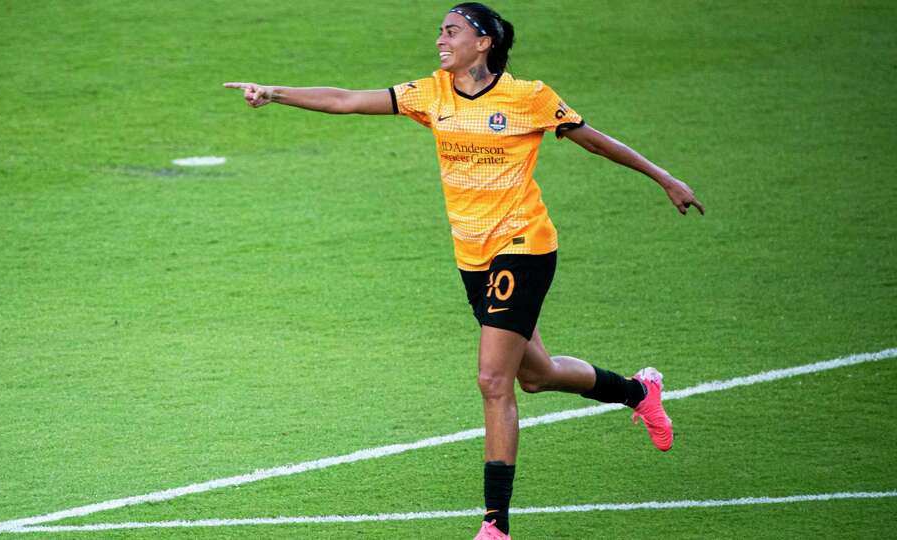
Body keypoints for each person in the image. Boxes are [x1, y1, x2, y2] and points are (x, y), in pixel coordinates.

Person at [225, 3, 703, 538]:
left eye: (451, 31)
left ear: (484, 43)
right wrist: (274, 92)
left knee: (493, 380)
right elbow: (345, 100)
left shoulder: (529, 97)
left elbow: (593, 140)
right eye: (439, 31)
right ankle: (640, 393)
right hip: (472, 256)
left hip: (524, 245)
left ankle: (495, 524)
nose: (439, 40)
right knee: (536, 374)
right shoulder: (431, 94)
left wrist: (664, 178)